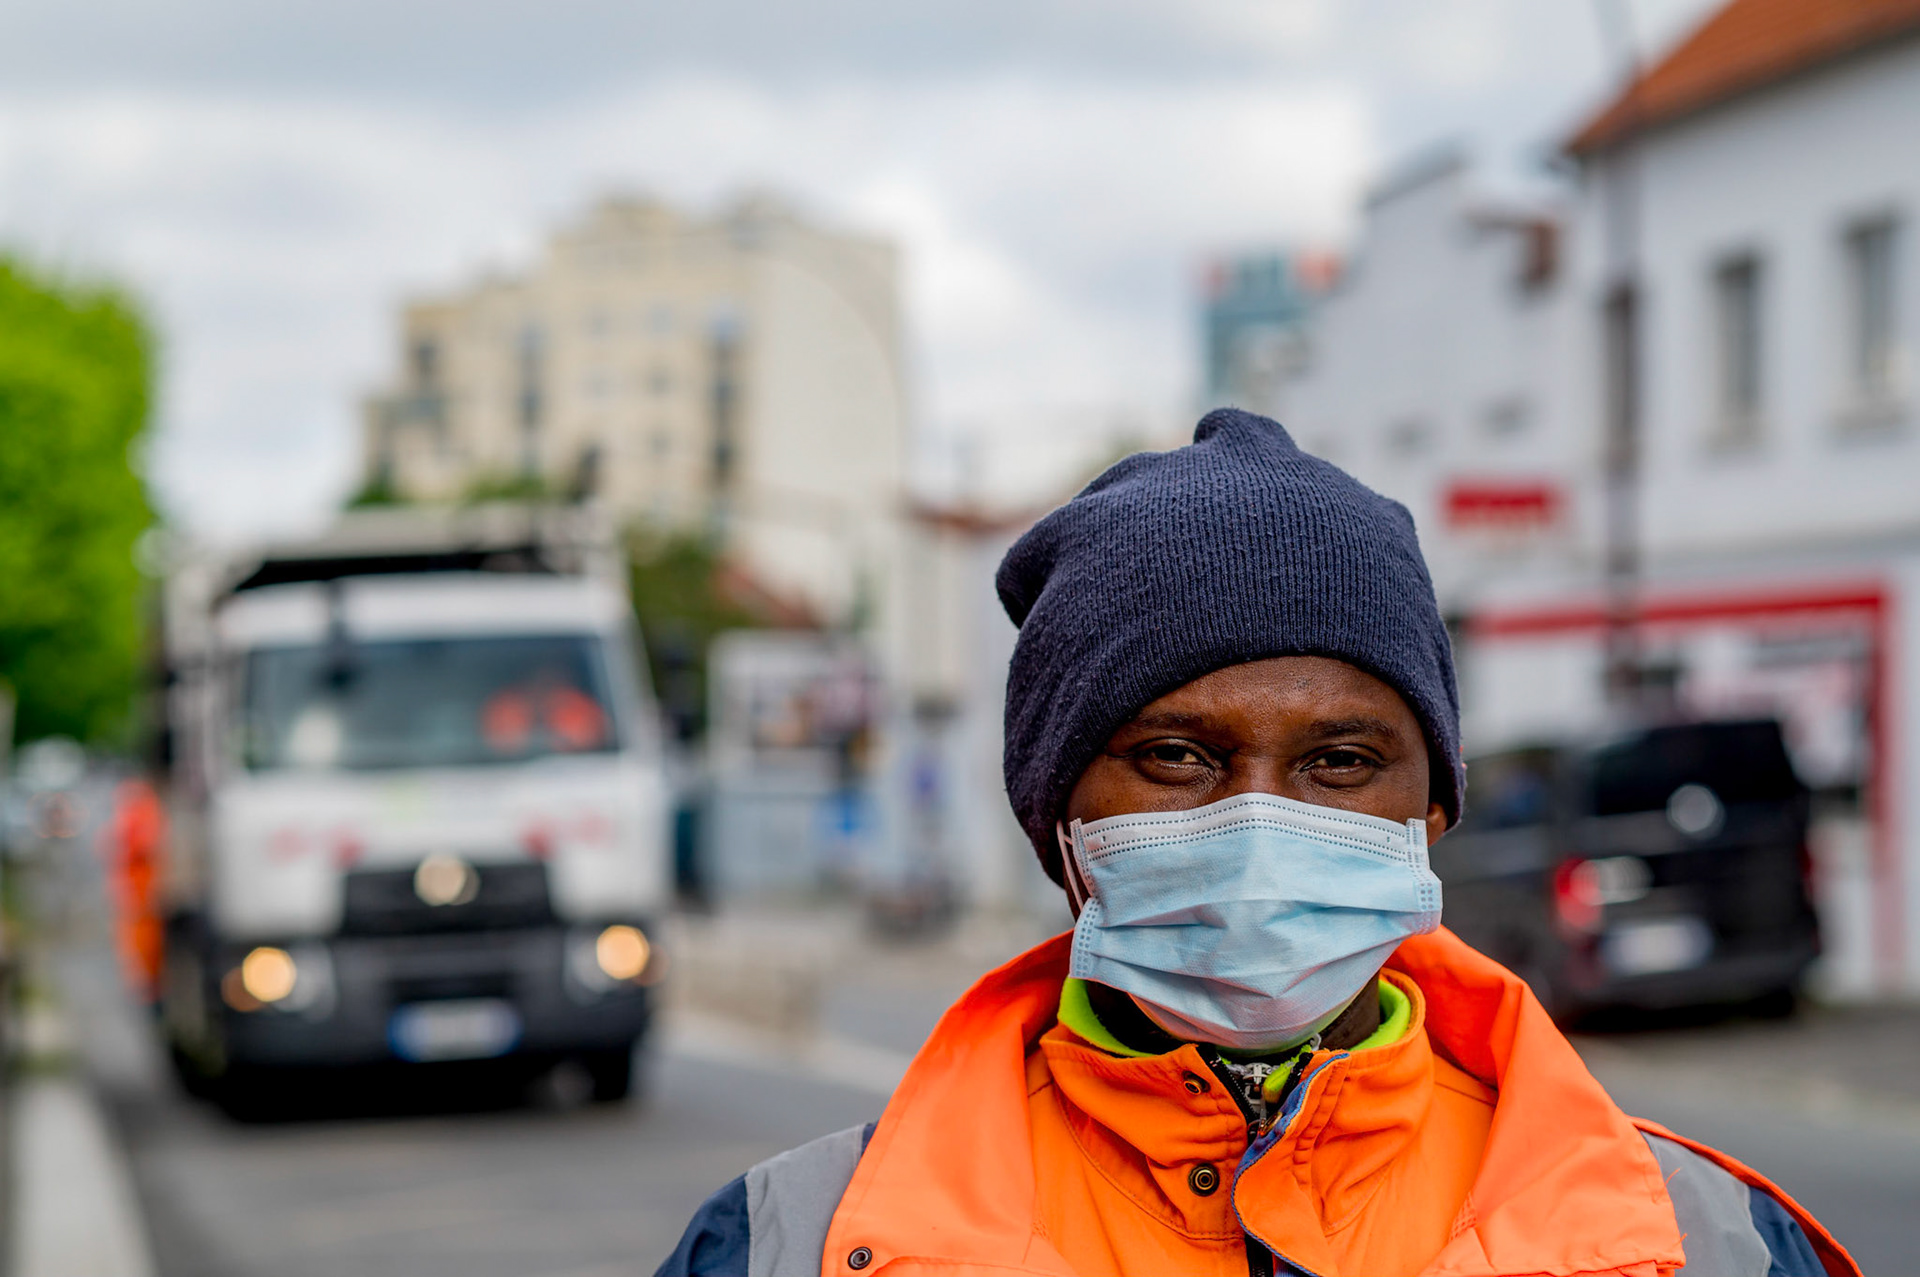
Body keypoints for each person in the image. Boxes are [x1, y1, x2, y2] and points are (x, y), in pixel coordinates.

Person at [657, 410, 1858, 1277]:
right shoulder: (791, 1241)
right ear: (1058, 826)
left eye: (1340, 761)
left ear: (1432, 809)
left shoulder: (1701, 1242)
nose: (1259, 818)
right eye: (1178, 756)